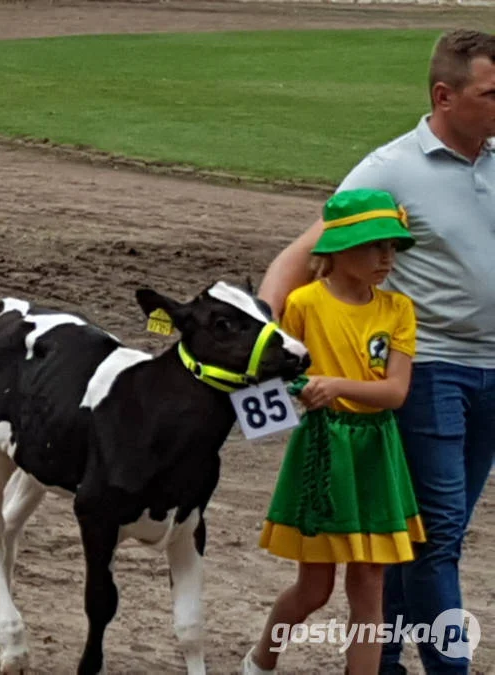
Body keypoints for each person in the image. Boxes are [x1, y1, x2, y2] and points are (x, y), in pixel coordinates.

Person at [257, 30, 495, 675]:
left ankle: (383, 660)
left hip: (493, 373)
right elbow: (307, 252)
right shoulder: (391, 169)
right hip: (433, 369)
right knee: (437, 538)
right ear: (445, 96)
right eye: (491, 93)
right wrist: (262, 340)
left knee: (425, 537)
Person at [243, 189, 424, 675]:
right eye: (373, 247)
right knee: (313, 590)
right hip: (323, 450)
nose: (386, 258)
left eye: (392, 248)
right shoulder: (303, 304)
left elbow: (396, 392)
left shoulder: (398, 310)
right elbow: (276, 373)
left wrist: (336, 384)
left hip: (376, 453)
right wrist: (303, 389)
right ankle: (261, 661)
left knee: (370, 588)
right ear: (337, 250)